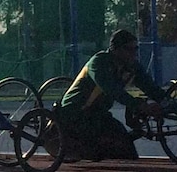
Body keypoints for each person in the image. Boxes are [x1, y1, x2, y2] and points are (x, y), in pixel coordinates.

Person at [56, 29, 166, 161]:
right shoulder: (98, 62)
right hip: (76, 112)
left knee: (127, 149)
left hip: (98, 114)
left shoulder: (132, 67)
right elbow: (111, 89)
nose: (133, 53)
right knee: (97, 149)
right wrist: (138, 105)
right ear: (115, 49)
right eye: (129, 49)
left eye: (135, 49)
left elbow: (152, 89)